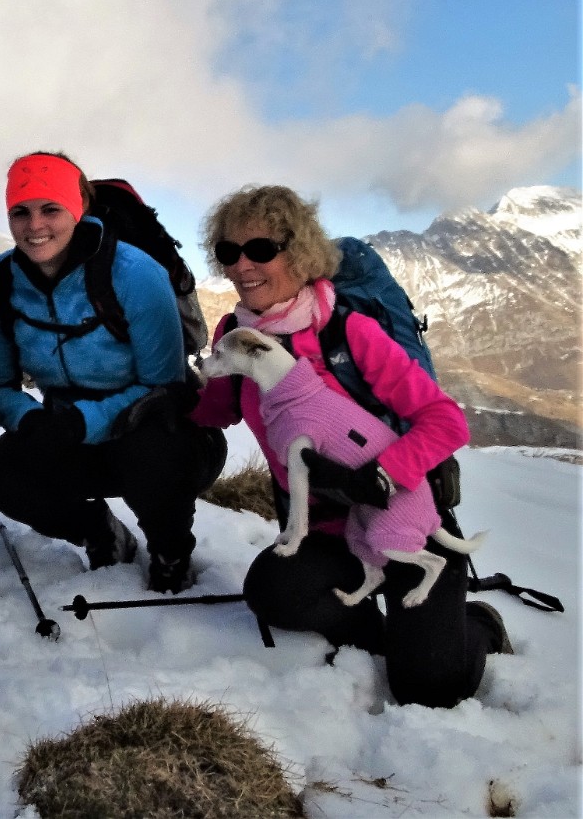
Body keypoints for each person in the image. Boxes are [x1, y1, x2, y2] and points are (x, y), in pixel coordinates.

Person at [190, 183, 510, 708]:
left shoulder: (350, 332)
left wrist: (381, 474)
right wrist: (154, 402)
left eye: (262, 249)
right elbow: (218, 408)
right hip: (329, 530)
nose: (243, 265)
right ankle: (386, 632)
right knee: (273, 593)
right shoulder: (235, 333)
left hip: (399, 517)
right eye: (229, 252)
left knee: (429, 689)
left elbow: (445, 421)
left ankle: (476, 625)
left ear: (300, 253)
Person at [0, 152, 225, 593]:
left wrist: (80, 422)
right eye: (20, 212)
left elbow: (164, 387)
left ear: (79, 209)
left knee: (150, 447)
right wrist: (28, 418)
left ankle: (170, 553)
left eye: (51, 208)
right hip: (67, 433)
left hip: (163, 435)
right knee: (0, 476)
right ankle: (99, 533)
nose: (35, 226)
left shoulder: (134, 273)